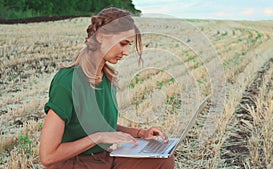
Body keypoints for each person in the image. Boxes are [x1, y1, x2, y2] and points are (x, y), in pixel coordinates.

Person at [39, 7, 175, 169]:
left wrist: (141, 133)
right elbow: (48, 156)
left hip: (104, 158)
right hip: (73, 163)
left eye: (129, 45)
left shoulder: (106, 79)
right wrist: (98, 137)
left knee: (163, 160)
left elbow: (102, 127)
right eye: (123, 44)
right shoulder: (67, 82)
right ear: (102, 36)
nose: (126, 52)